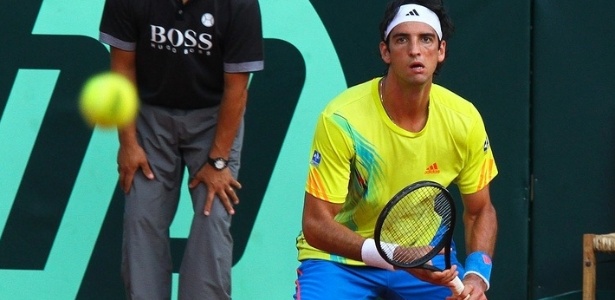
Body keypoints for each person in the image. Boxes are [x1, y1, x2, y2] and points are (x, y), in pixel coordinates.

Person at [294, 0, 497, 299]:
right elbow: (315, 224)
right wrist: (396, 254)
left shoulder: (464, 120)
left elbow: (480, 211)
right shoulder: (342, 119)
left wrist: (478, 276)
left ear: (440, 51)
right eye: (402, 39)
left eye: (426, 39)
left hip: (427, 259)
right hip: (339, 261)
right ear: (385, 52)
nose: (415, 50)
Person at [98, 0, 264, 299]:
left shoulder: (239, 5)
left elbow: (237, 90)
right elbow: (121, 69)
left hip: (214, 121)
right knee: (141, 219)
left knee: (212, 219)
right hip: (148, 118)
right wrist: (129, 143)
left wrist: (218, 162)